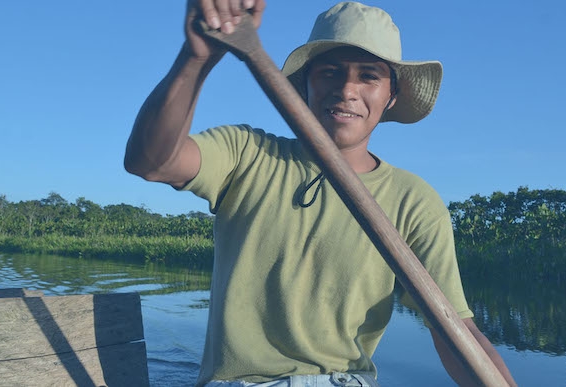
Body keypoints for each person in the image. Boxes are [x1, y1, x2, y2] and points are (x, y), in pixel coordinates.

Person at [125, 1, 517, 386]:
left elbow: (454, 328)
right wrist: (196, 59)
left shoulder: (414, 201)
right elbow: (152, 161)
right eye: (330, 72)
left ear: (391, 97)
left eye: (369, 76)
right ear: (304, 86)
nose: (346, 89)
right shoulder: (247, 153)